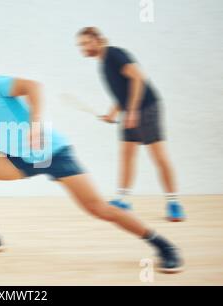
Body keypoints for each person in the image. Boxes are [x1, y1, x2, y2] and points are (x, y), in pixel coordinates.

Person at [0, 70, 183, 273]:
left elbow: (33, 87)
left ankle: (161, 244)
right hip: (22, 160)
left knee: (98, 208)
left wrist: (36, 124)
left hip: (53, 153)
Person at [77, 27, 185, 222]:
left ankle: (174, 203)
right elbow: (124, 91)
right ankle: (123, 200)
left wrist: (133, 111)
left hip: (147, 107)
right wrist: (114, 112)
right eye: (80, 45)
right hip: (132, 110)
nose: (82, 48)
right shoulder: (103, 63)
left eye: (85, 43)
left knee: (158, 156)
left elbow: (138, 77)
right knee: (127, 154)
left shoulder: (114, 54)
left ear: (97, 40)